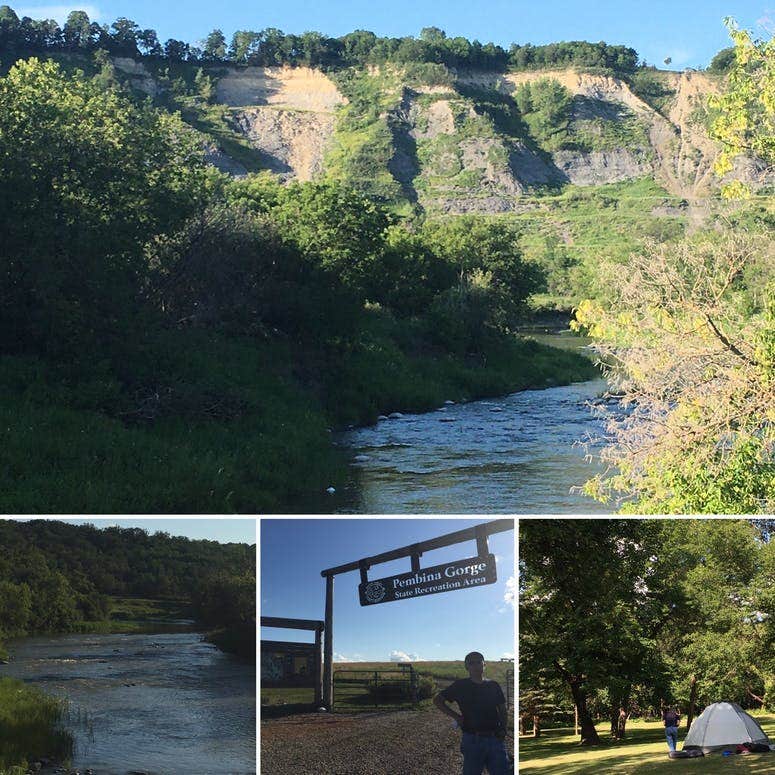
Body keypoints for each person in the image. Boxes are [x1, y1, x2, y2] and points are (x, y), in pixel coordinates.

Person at [434, 651, 510, 775]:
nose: (476, 666)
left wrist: (503, 729)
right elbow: (437, 700)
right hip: (472, 739)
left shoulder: (493, 685)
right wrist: (457, 717)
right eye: (471, 663)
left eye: (479, 662)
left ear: (484, 665)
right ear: (466, 667)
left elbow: (502, 710)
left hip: (495, 738)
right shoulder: (460, 685)